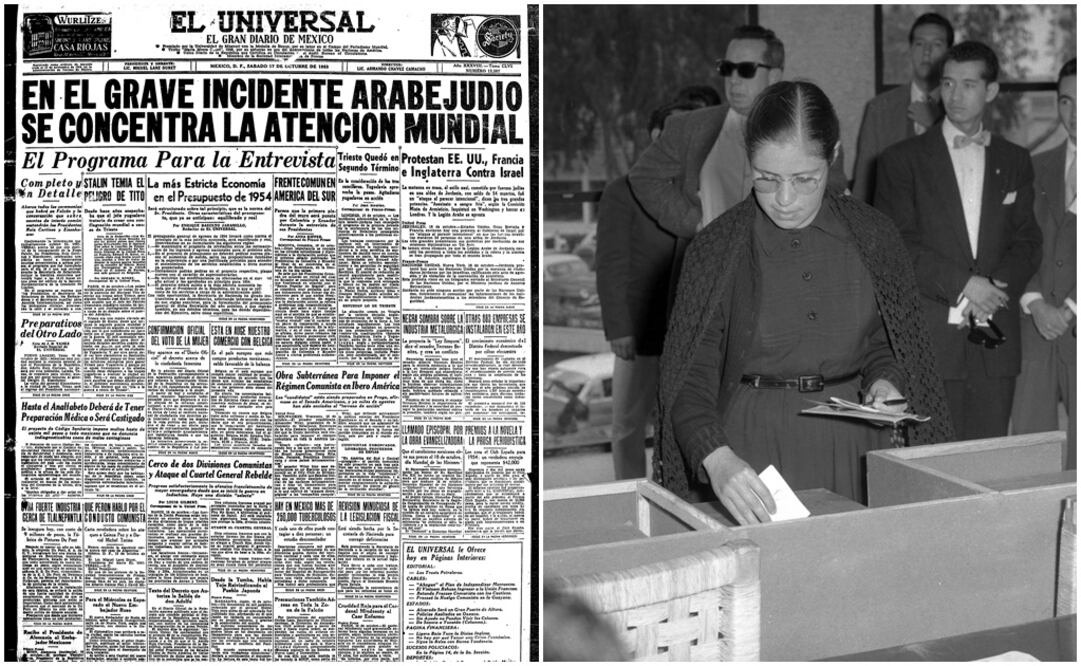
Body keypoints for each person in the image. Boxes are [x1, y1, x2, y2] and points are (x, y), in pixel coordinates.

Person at [655, 81, 954, 524]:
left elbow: (887, 343)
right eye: (766, 179)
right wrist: (716, 460)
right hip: (745, 455)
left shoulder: (874, 237)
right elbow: (687, 380)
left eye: (805, 179)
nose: (785, 199)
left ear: (832, 156)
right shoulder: (717, 249)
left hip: (853, 445)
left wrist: (887, 382)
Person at [875, 41, 1042, 441]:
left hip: (995, 341)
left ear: (991, 91)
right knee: (932, 468)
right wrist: (966, 285)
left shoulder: (1016, 159)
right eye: (948, 84)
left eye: (968, 84)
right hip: (930, 338)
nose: (955, 95)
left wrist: (993, 290)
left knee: (989, 466)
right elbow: (894, 246)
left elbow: (1028, 240)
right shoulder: (901, 160)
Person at [629, 25, 848, 242]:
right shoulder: (690, 127)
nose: (733, 79)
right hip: (712, 261)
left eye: (746, 69)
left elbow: (833, 191)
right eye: (726, 68)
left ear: (774, 75)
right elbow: (644, 176)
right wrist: (692, 222)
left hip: (784, 260)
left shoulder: (808, 126)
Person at [596, 100, 702, 479]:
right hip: (637, 333)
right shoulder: (621, 191)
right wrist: (618, 327)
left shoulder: (700, 191)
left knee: (678, 423)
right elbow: (610, 264)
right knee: (626, 425)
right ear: (655, 136)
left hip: (688, 331)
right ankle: (627, 496)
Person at [1011, 58, 1076, 468]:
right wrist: (1034, 300)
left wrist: (1071, 308)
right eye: (1067, 101)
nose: (1074, 113)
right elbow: (1019, 241)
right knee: (1030, 451)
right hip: (1034, 324)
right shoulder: (1035, 166)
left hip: (1074, 320)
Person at [852, 13, 954, 203]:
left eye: (936, 45)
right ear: (909, 49)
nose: (926, 52)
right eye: (920, 44)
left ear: (949, 53)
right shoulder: (879, 108)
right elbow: (864, 183)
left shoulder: (961, 107)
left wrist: (938, 125)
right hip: (891, 222)